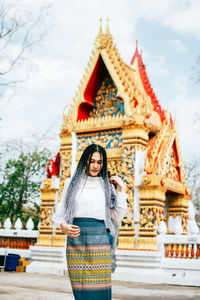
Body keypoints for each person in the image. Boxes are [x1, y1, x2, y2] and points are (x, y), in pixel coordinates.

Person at [53, 144, 127, 300]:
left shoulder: (107, 186)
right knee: (81, 292)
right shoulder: (71, 184)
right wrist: (64, 226)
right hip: (76, 242)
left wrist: (123, 190)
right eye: (91, 161)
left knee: (100, 291)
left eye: (99, 162)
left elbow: (117, 216)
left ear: (103, 163)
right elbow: (59, 215)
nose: (95, 165)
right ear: (85, 161)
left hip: (99, 242)